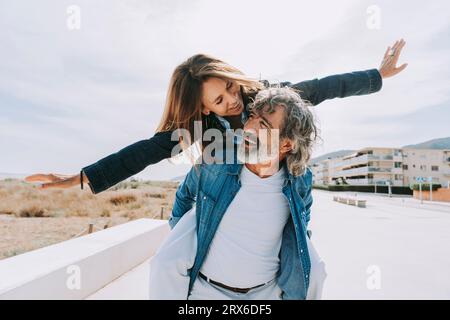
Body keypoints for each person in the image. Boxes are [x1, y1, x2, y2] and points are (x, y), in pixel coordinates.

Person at [24, 40, 407, 191]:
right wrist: (81, 177)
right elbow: (145, 151)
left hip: (283, 184)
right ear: (205, 108)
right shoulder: (199, 127)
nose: (233, 102)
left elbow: (323, 87)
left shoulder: (266, 97)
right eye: (220, 101)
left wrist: (377, 76)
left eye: (231, 89)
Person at [155, 86, 323, 300]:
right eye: (252, 116)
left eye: (263, 124)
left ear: (287, 144)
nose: (249, 127)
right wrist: (181, 244)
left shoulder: (300, 181)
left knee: (318, 269)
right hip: (205, 293)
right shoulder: (216, 161)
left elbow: (302, 220)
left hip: (266, 294)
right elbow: (184, 196)